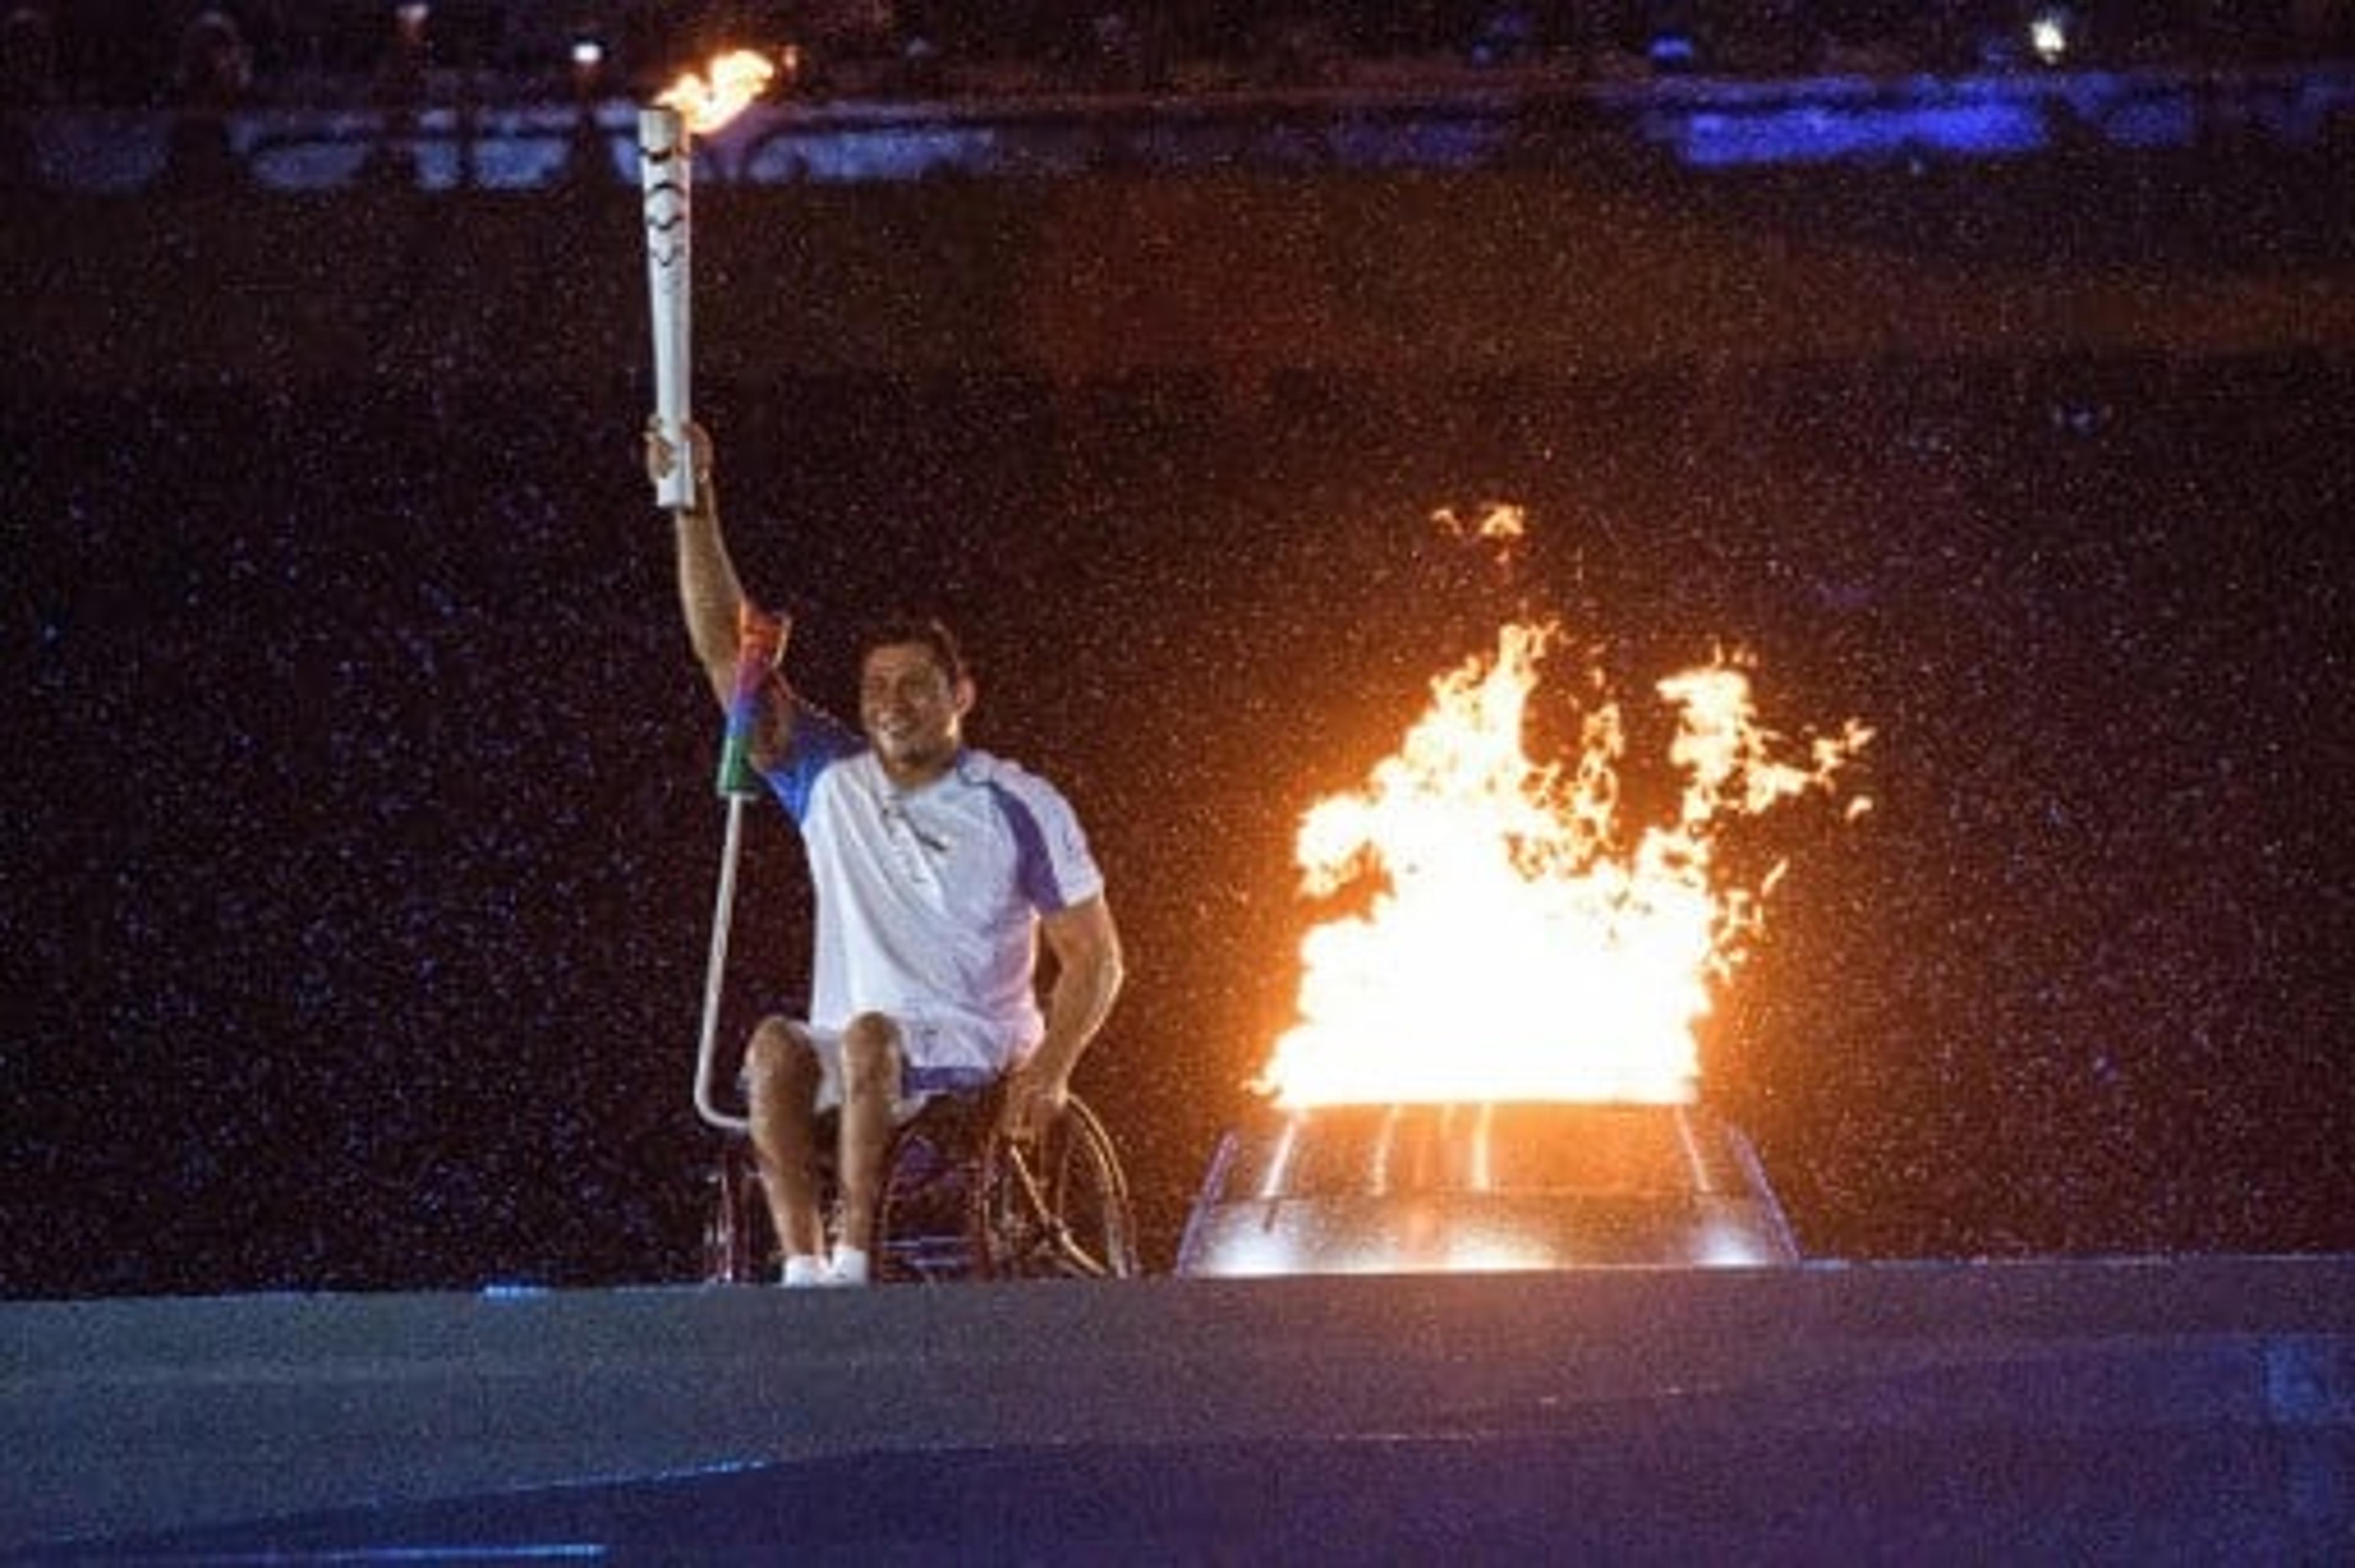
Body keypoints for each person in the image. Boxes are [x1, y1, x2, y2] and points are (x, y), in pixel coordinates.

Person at [650, 419, 1124, 1287]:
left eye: (914, 686)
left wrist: (1053, 1069)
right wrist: (693, 501)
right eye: (875, 688)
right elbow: (728, 652)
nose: (890, 704)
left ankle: (857, 1258)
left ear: (962, 695)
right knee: (773, 1049)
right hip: (856, 1047)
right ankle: (806, 1268)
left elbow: (1094, 956)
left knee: (874, 1036)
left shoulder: (1017, 802)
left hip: (974, 1047)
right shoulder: (831, 780)